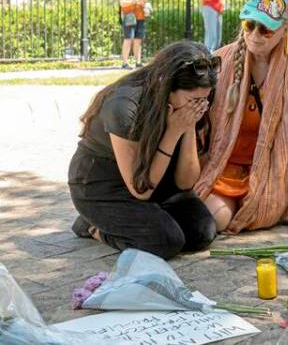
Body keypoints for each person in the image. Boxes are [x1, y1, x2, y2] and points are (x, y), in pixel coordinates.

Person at [193, 0, 288, 234]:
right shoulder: (222, 60)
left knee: (261, 210)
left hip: (274, 173)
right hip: (227, 168)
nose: (255, 35)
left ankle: (260, 202)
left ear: (285, 30)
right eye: (250, 25)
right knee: (212, 221)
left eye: (266, 29)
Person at [68, 40, 219, 260]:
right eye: (193, 100)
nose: (199, 106)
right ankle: (94, 226)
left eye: (204, 100)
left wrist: (187, 127)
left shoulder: (191, 105)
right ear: (167, 87)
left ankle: (135, 220)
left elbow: (185, 183)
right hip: (106, 185)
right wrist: (173, 132)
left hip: (158, 177)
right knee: (165, 242)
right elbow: (141, 189)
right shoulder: (124, 105)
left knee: (201, 233)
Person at [118, 0, 147, 69]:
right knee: (128, 39)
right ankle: (125, 63)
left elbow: (144, 1)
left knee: (138, 40)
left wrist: (144, 4)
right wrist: (135, 1)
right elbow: (122, 3)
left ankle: (138, 62)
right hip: (129, 16)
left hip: (140, 17)